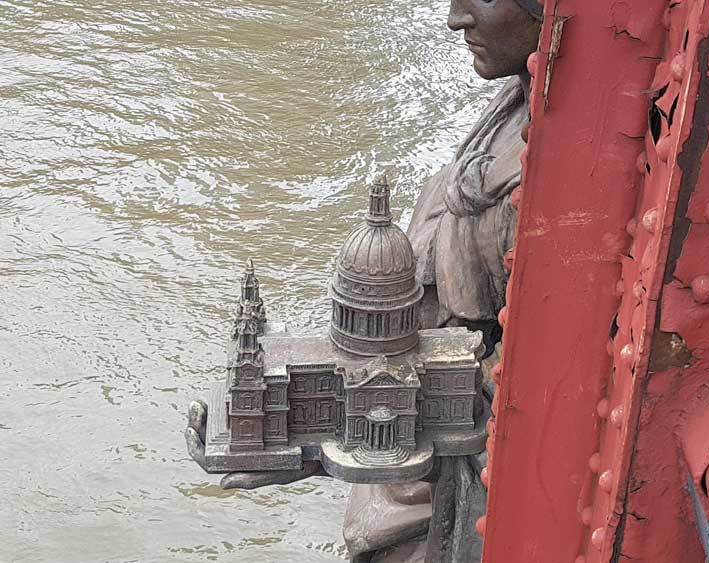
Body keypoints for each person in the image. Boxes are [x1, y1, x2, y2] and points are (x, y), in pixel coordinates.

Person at [186, 1, 542, 561]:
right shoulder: (510, 114)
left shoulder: (555, 181)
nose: (455, 18)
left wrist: (309, 438)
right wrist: (294, 440)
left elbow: (516, 392)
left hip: (479, 495)